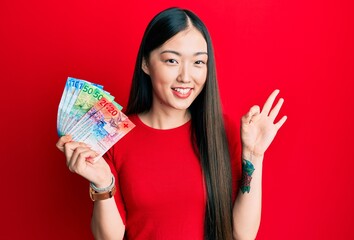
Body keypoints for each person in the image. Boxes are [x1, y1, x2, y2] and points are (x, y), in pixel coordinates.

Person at [56, 7, 287, 240]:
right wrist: (103, 183)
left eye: (198, 62)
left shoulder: (223, 131)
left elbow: (243, 235)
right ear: (146, 63)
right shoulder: (115, 136)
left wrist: (254, 156)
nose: (186, 77)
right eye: (172, 60)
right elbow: (109, 238)